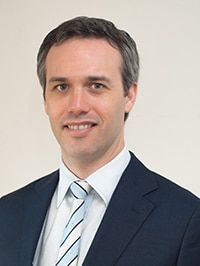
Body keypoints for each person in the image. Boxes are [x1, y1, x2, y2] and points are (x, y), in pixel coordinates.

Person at [0, 16, 200, 266]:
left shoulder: (185, 220)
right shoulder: (7, 213)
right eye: (61, 87)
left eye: (96, 85)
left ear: (129, 95)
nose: (77, 106)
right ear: (45, 100)